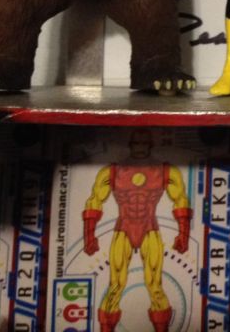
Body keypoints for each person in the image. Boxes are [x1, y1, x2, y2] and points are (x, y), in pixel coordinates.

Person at [81, 130, 192, 332]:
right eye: (137, 144)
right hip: (122, 230)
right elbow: (94, 201)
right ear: (130, 145)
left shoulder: (165, 171)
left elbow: (181, 200)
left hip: (150, 229)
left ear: (150, 145)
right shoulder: (112, 171)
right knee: (115, 285)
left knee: (155, 285)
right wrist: (89, 236)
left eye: (144, 144)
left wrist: (183, 235)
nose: (140, 148)